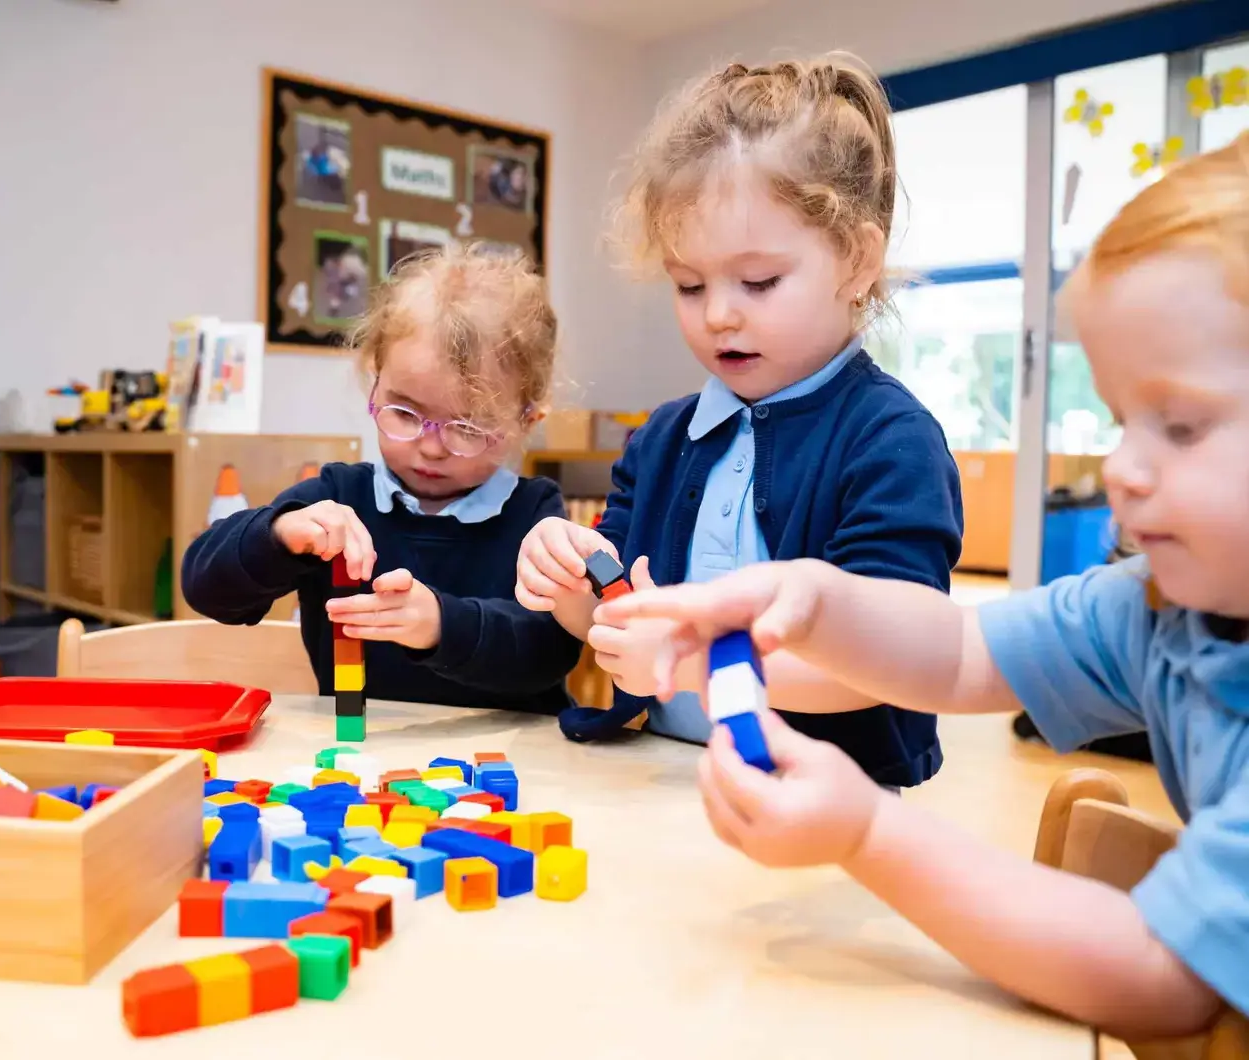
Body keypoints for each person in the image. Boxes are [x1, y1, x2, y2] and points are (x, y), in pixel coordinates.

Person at [592, 133, 1249, 1038]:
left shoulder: (886, 434)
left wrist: (867, 831)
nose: (1121, 470)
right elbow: (960, 650)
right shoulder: (1158, 612)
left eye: (1178, 426)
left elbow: (1159, 975)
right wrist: (811, 599)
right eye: (1119, 421)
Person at [515, 55, 963, 790]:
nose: (719, 313)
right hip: (669, 776)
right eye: (689, 284)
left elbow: (888, 658)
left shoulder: (892, 442)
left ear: (856, 262)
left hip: (833, 799)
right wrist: (565, 574)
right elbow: (611, 611)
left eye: (758, 281)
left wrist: (693, 661)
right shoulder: (662, 439)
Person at [183, 242, 582, 714]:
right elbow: (206, 588)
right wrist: (278, 535)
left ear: (527, 420)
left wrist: (441, 624)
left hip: (514, 749)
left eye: (469, 428)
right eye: (405, 413)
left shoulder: (534, 514)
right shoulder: (338, 498)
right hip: (361, 746)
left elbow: (548, 650)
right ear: (375, 379)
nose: (431, 447)